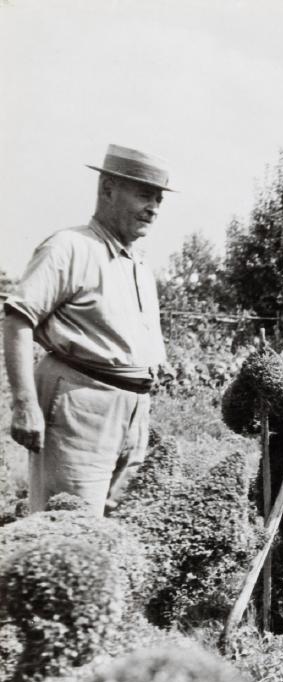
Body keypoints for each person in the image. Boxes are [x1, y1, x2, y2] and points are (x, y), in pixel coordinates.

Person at [3, 144, 174, 515]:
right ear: (108, 189)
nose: (154, 209)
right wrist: (24, 403)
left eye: (159, 199)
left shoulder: (138, 264)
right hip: (80, 405)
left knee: (116, 529)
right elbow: (17, 319)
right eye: (144, 195)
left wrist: (156, 363)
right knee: (67, 525)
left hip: (133, 412)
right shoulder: (70, 247)